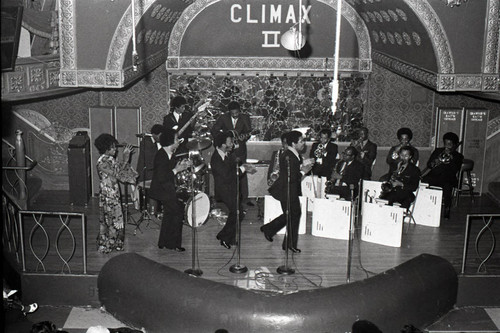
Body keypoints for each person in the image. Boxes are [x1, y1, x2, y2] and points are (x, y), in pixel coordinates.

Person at [260, 130, 313, 253]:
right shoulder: (289, 156)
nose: (303, 143)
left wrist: (304, 165)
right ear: (293, 143)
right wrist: (303, 171)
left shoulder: (292, 154)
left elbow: (292, 170)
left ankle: (275, 234)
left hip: (289, 189)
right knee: (293, 214)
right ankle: (288, 243)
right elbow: (292, 177)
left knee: (291, 215)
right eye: (301, 141)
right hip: (287, 190)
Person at [211, 132, 256, 249]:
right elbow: (227, 175)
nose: (232, 144)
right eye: (229, 142)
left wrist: (244, 166)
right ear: (222, 144)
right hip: (224, 191)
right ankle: (225, 238)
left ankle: (225, 236)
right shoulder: (216, 158)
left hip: (231, 189)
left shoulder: (226, 154)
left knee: (237, 212)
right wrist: (243, 168)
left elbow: (235, 167)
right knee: (237, 212)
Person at [94, 134, 137, 253]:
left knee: (116, 218)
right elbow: (118, 174)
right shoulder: (102, 162)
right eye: (112, 147)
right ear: (105, 149)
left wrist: (126, 158)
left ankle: (116, 243)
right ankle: (107, 244)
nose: (116, 149)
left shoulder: (110, 159)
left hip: (113, 193)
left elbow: (121, 171)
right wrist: (125, 158)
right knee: (110, 219)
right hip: (108, 195)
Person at [149, 128, 191, 252]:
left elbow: (172, 168)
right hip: (162, 190)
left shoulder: (168, 153)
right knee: (177, 213)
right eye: (177, 139)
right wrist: (177, 170)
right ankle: (174, 244)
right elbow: (163, 176)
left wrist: (182, 166)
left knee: (169, 215)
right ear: (170, 141)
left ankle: (163, 242)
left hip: (166, 188)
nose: (178, 142)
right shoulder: (161, 155)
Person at [211, 101, 253, 206]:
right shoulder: (223, 118)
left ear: (240, 111)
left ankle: (244, 198)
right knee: (225, 172)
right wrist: (224, 138)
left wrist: (245, 137)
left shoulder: (245, 117)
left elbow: (249, 132)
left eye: (237, 113)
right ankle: (222, 197)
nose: (235, 116)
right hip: (226, 148)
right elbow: (214, 130)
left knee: (242, 171)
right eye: (232, 114)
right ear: (229, 112)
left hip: (240, 149)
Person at [421, 132, 463, 219]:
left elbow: (455, 170)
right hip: (434, 176)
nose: (447, 146)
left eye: (450, 144)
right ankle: (424, 206)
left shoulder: (458, 156)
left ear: (454, 144)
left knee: (448, 186)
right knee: (424, 181)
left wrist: (451, 159)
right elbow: (429, 165)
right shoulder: (437, 151)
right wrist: (436, 161)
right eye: (445, 143)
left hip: (447, 178)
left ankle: (447, 209)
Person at [136, 124, 164, 215]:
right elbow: (150, 162)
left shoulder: (153, 142)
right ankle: (153, 212)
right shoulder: (146, 142)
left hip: (151, 172)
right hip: (146, 174)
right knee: (155, 188)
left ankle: (156, 210)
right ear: (155, 134)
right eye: (161, 135)